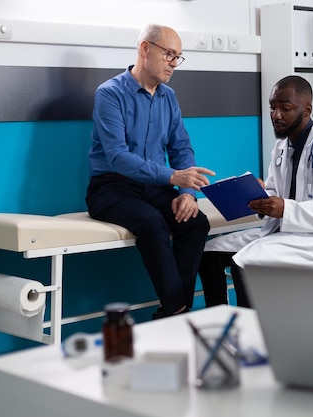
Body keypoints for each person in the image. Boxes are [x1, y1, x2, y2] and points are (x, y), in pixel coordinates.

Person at [199, 75, 313, 308]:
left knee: (245, 262)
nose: (276, 115)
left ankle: (253, 335)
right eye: (272, 107)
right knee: (208, 253)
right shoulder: (281, 147)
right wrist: (259, 196)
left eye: (285, 108)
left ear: (307, 110)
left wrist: (286, 209)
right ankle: (220, 324)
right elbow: (276, 191)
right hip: (282, 231)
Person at [86, 23, 215, 319]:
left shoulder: (168, 97)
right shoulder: (110, 94)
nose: (174, 63)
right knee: (151, 222)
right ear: (145, 48)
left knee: (195, 223)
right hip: (111, 188)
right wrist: (172, 177)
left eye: (178, 57)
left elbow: (181, 149)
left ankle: (171, 312)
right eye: (169, 54)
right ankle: (178, 312)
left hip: (154, 188)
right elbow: (118, 157)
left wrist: (186, 193)